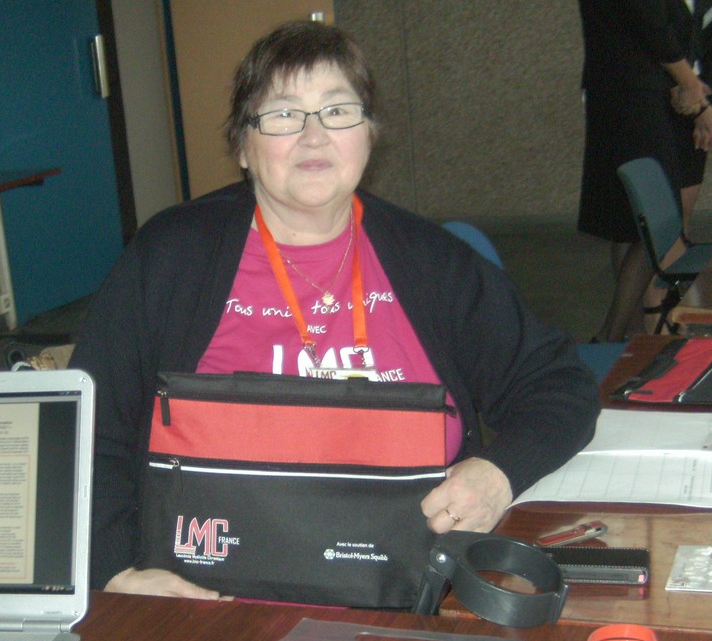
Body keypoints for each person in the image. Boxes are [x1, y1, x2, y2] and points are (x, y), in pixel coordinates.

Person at [70, 20, 600, 599]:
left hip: (403, 600)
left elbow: (558, 385)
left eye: (338, 110)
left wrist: (499, 475)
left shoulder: (432, 262)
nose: (314, 136)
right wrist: (115, 571)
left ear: (369, 135)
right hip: (207, 603)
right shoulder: (171, 258)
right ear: (243, 146)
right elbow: (90, 428)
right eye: (283, 114)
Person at [577, 0, 712, 341]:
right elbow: (650, 25)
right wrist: (691, 86)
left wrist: (697, 92)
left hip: (656, 88)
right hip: (628, 91)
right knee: (653, 221)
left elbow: (703, 40)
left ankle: (626, 333)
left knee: (638, 224)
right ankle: (615, 333)